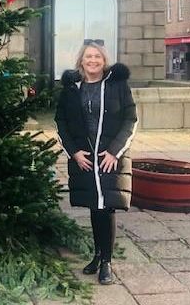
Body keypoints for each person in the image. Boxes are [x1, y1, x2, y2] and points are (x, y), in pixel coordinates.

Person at [54, 39, 138, 285]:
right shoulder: (71, 88)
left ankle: (106, 262)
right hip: (86, 158)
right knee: (94, 206)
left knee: (106, 207)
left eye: (97, 57)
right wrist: (74, 152)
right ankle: (97, 255)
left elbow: (130, 120)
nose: (92, 61)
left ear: (104, 60)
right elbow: (61, 122)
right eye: (88, 56)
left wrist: (114, 152)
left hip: (110, 157)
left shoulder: (117, 85)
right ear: (81, 60)